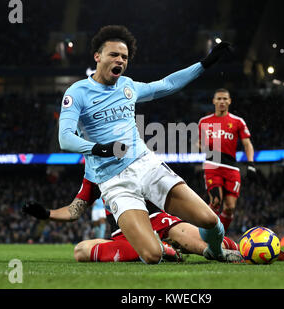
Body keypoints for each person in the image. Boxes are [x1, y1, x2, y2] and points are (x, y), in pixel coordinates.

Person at [56, 25, 236, 264]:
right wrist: (100, 148)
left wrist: (204, 64)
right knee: (152, 255)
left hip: (146, 165)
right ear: (97, 56)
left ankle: (215, 251)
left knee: (210, 220)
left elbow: (168, 84)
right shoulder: (77, 92)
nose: (120, 59)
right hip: (114, 182)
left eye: (124, 57)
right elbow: (64, 138)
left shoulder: (128, 86)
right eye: (114, 54)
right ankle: (132, 242)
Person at [22, 179, 242, 263]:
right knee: (80, 251)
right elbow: (75, 210)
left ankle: (256, 250)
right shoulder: (94, 174)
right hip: (127, 234)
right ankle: (160, 249)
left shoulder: (140, 156)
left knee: (211, 248)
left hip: (160, 221)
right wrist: (47, 214)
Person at [198, 88, 256, 232]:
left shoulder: (238, 121)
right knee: (216, 202)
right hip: (213, 165)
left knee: (230, 207)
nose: (222, 101)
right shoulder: (204, 121)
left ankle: (219, 236)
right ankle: (203, 235)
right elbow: (198, 142)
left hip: (231, 167)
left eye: (225, 99)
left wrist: (251, 164)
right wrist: (203, 147)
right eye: (219, 99)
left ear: (229, 101)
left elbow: (247, 144)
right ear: (214, 101)